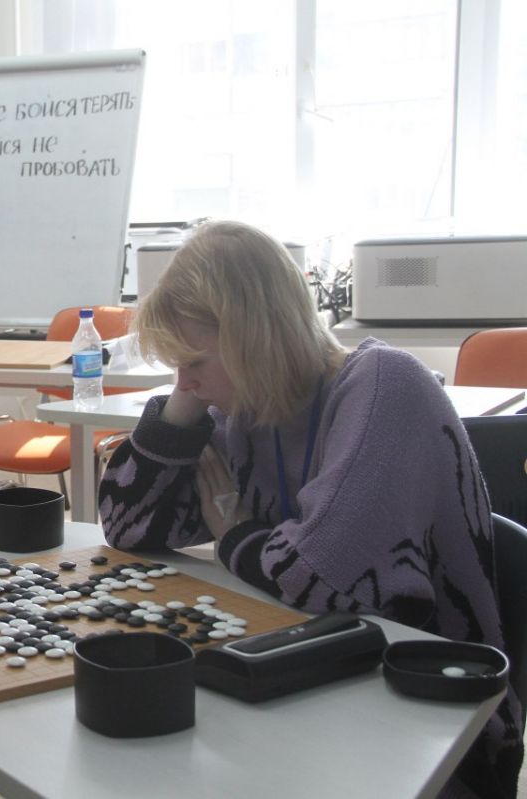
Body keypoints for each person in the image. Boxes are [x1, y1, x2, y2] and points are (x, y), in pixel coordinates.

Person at [99, 220, 522, 798]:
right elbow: (127, 526)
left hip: (430, 717)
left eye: (194, 361)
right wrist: (181, 407)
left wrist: (233, 533)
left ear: (255, 338)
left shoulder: (386, 383)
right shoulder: (247, 408)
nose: (185, 381)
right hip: (309, 684)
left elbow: (321, 579)